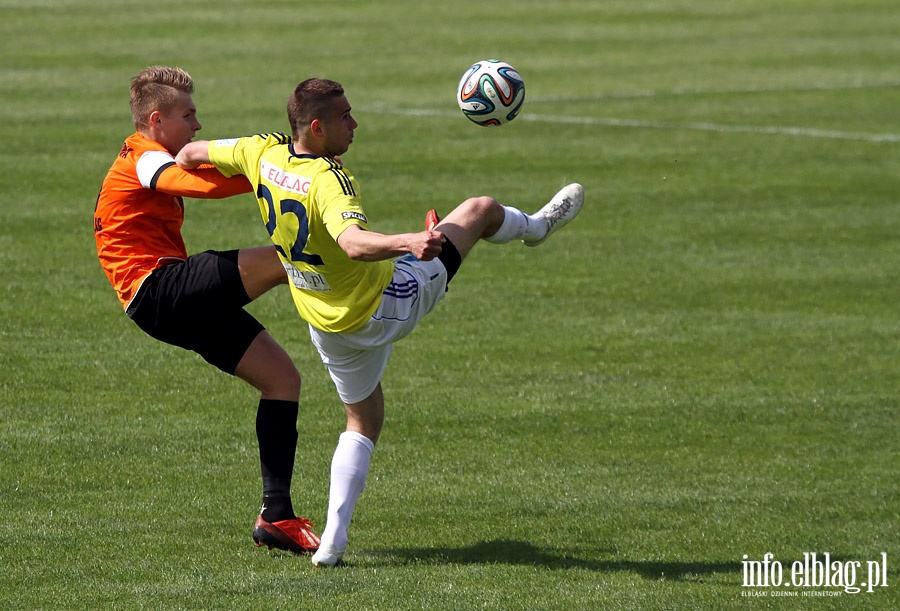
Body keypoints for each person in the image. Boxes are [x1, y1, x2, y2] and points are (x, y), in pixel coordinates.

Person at [175, 77, 584, 567]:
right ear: (319, 127)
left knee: (364, 419)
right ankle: (536, 229)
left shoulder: (259, 151)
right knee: (480, 210)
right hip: (385, 302)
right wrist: (410, 241)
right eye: (345, 116)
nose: (355, 123)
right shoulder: (330, 178)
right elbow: (352, 243)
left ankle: (331, 543)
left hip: (324, 320)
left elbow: (191, 155)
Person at [93, 66, 320, 555]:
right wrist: (276, 168)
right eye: (188, 115)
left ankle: (276, 516)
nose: (197, 126)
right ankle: (391, 285)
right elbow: (201, 186)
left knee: (283, 380)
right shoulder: (143, 158)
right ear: (156, 119)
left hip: (168, 301)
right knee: (289, 255)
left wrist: (278, 169)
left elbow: (215, 176)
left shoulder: (154, 154)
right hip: (158, 290)